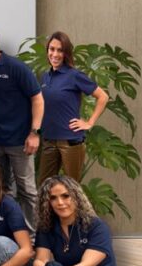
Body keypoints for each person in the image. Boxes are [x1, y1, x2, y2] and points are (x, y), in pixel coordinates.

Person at [0, 24, 44, 228]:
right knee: (0, 188)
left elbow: (37, 99)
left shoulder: (16, 67)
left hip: (21, 140)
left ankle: (34, 235)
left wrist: (34, 133)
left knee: (27, 189)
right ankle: (10, 230)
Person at [38, 32, 109, 184]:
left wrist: (89, 122)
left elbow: (103, 97)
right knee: (44, 186)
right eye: (52, 49)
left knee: (72, 188)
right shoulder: (45, 77)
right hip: (49, 140)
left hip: (70, 141)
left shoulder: (74, 75)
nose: (55, 54)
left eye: (60, 50)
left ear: (66, 53)